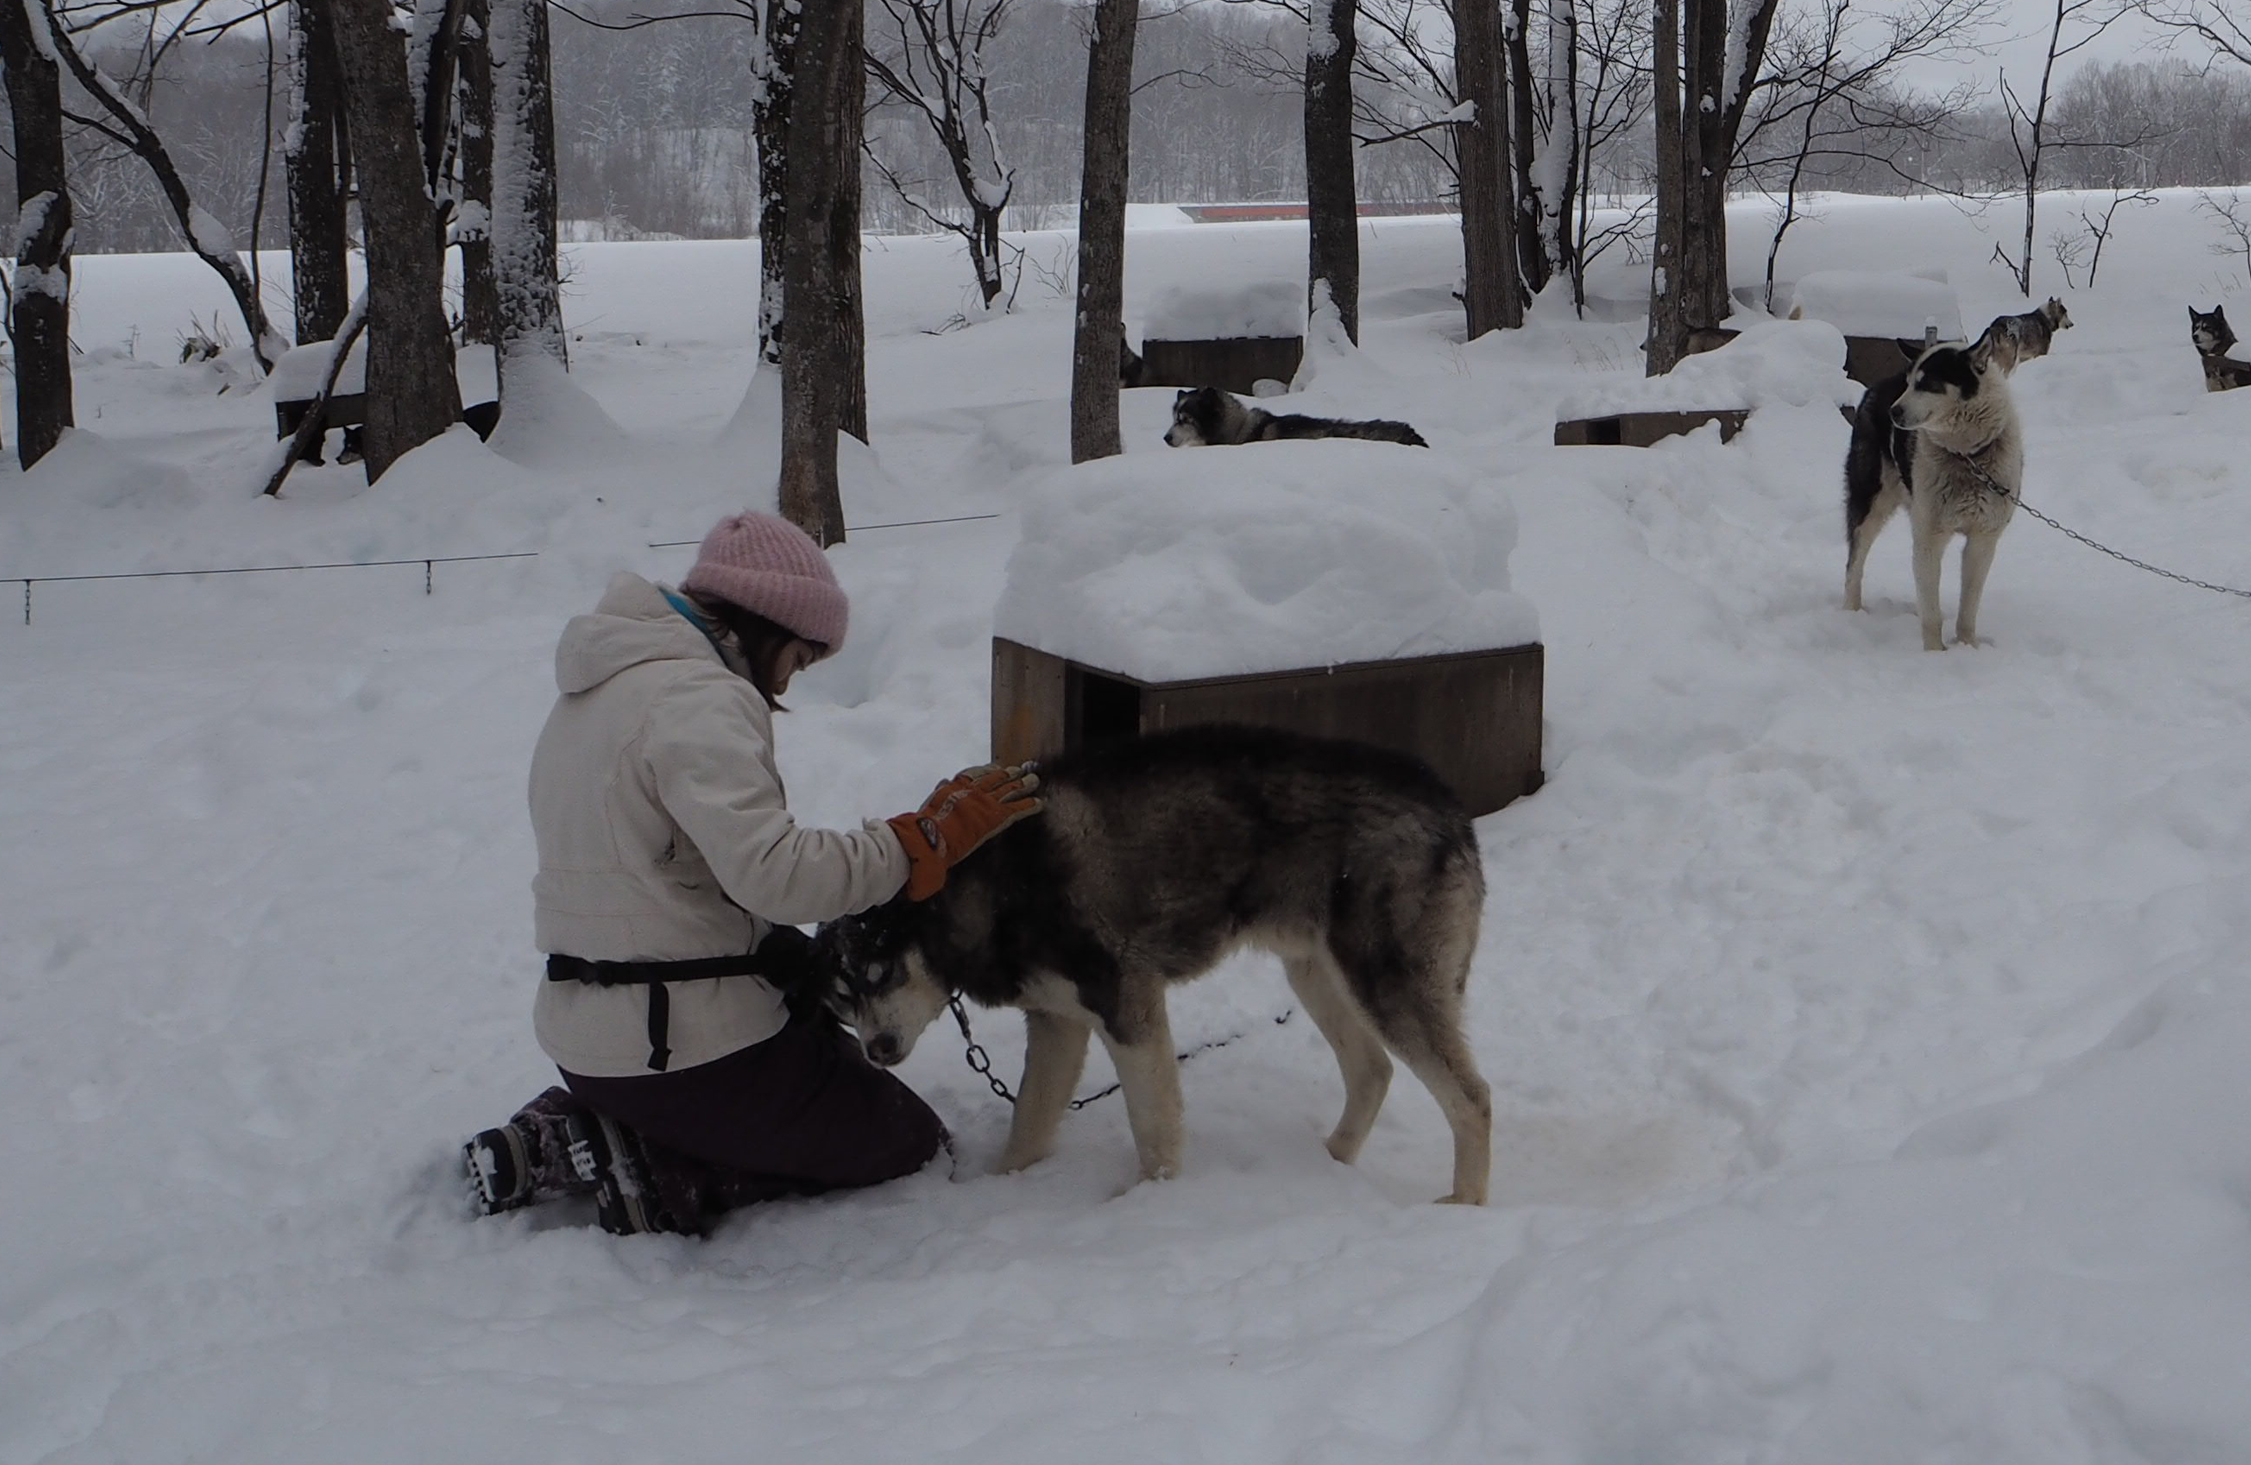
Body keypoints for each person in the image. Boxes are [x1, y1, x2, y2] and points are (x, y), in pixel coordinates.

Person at [462, 511, 1042, 1235]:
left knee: (819, 1063)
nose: (788, 684)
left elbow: (664, 873)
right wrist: (915, 846)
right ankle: (650, 1165)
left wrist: (776, 953)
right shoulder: (698, 697)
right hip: (683, 1054)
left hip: (594, 1039)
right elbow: (773, 871)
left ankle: (566, 1131)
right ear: (768, 625)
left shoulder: (599, 689)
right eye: (798, 659)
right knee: (906, 1142)